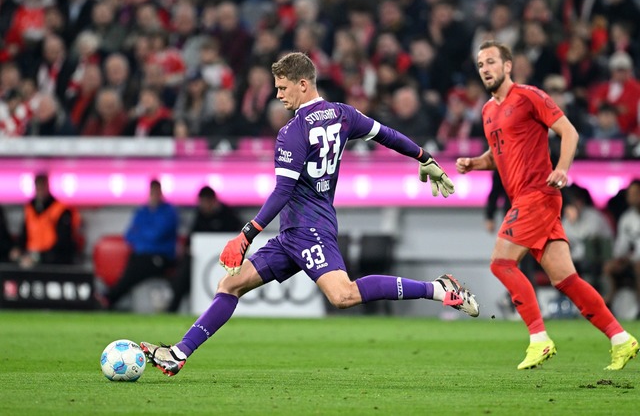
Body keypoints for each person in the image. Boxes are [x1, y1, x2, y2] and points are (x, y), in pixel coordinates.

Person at [140, 52, 479, 376]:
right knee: (231, 284)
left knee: (343, 295)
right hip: (293, 232)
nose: (278, 94)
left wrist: (247, 234)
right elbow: (386, 135)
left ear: (303, 84)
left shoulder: (293, 131)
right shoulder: (344, 114)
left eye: (282, 87)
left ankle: (437, 288)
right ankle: (178, 354)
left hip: (309, 228)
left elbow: (283, 191)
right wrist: (424, 157)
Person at [456, 40, 638, 370]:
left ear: (508, 66)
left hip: (538, 195)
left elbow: (569, 133)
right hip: (527, 199)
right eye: (480, 64)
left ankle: (539, 339)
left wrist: (563, 168)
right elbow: (498, 156)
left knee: (501, 263)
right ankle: (620, 338)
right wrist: (474, 163)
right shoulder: (487, 111)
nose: (485, 69)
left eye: (491, 62)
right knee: (566, 280)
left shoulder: (529, 96)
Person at [97, 179, 178, 309]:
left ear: (161, 193)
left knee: (137, 265)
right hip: (141, 256)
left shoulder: (168, 212)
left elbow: (157, 235)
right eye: (152, 192)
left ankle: (110, 297)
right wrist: (145, 237)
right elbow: (129, 235)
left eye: (157, 192)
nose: (155, 195)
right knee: (135, 263)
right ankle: (110, 298)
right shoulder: (143, 211)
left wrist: (141, 236)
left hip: (161, 258)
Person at [167, 185, 243, 313]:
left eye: (206, 202)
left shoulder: (227, 214)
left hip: (227, 259)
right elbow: (191, 239)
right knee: (185, 269)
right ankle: (174, 307)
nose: (204, 205)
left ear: (213, 201)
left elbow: (239, 234)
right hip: (202, 261)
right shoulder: (200, 216)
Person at [10, 173, 81, 268]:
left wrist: (39, 257)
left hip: (53, 261)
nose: (40, 190)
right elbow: (24, 233)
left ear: (47, 187)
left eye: (42, 187)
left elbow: (64, 243)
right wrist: (18, 249)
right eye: (37, 187)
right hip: (31, 257)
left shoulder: (60, 209)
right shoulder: (30, 207)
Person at [602, 179, 640, 314]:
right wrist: (619, 258)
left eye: (635, 193)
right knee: (609, 267)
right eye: (630, 194)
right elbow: (621, 245)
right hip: (630, 260)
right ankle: (609, 303)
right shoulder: (626, 218)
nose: (631, 197)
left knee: (638, 266)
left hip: (637, 261)